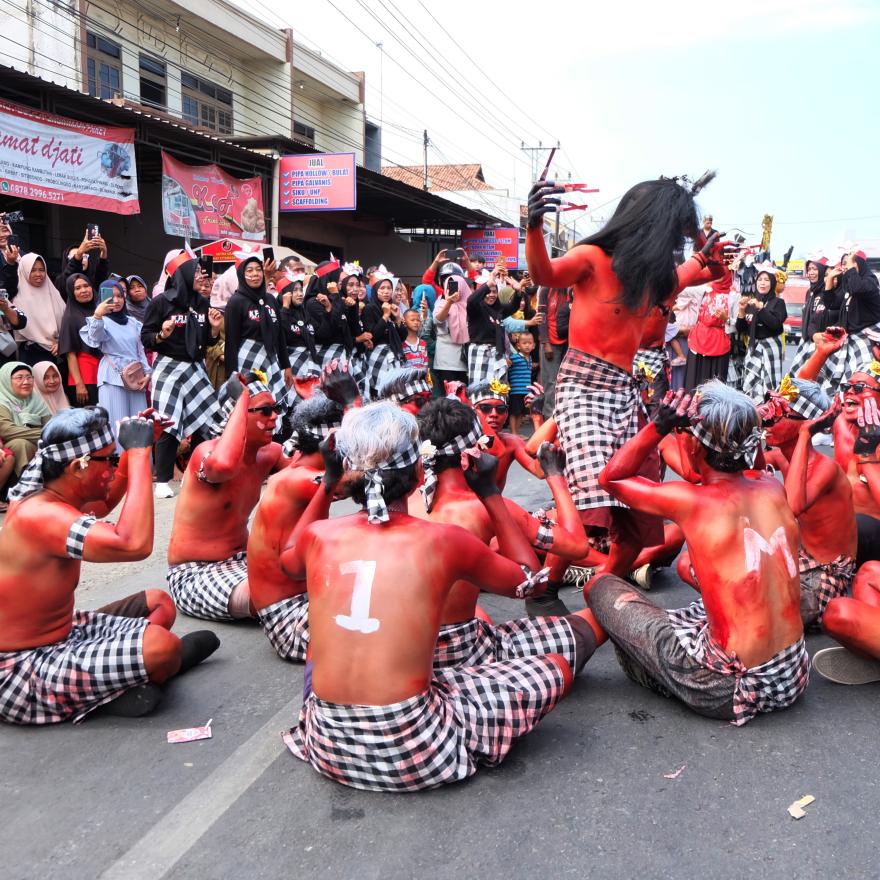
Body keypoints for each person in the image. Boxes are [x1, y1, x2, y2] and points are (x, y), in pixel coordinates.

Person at [280, 402, 572, 792]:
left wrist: (328, 484)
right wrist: (490, 494)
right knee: (553, 666)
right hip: (413, 747)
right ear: (420, 473)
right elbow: (529, 581)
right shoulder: (444, 540)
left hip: (327, 741)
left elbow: (288, 560)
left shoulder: (319, 536)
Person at [526, 173, 724, 577]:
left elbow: (713, 273)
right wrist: (533, 226)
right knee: (593, 497)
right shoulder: (591, 258)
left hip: (624, 388)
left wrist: (708, 246)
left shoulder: (658, 279)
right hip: (580, 385)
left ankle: (601, 591)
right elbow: (544, 274)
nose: (675, 245)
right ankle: (547, 587)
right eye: (672, 233)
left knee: (634, 522)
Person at [591, 382, 808, 725]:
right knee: (696, 607)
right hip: (792, 674)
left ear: (693, 445)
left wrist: (659, 426)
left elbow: (611, 478)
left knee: (600, 587)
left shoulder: (693, 502)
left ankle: (652, 672)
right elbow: (747, 465)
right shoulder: (772, 486)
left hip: (728, 687)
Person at [0, 407, 219, 722]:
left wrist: (139, 447)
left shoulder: (55, 495)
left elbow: (103, 502)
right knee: (161, 647)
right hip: (24, 667)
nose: (114, 467)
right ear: (78, 467)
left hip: (65, 634)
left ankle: (127, 678)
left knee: (159, 603)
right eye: (109, 460)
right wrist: (142, 454)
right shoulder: (40, 515)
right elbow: (133, 544)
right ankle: (139, 675)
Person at [416, 397, 600, 671]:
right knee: (599, 619)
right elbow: (575, 547)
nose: (495, 416)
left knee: (479, 615)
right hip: (462, 654)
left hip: (409, 651)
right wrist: (556, 475)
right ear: (475, 450)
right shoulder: (480, 506)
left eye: (500, 409)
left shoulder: (403, 498)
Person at [165, 372, 287, 621]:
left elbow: (318, 475)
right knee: (273, 596)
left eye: (276, 408)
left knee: (314, 575)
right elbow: (224, 466)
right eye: (265, 411)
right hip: (196, 572)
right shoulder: (206, 452)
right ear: (237, 415)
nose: (274, 417)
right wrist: (242, 400)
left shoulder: (270, 453)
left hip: (245, 560)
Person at [248, 389, 348, 662]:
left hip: (306, 600)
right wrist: (353, 402)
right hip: (289, 617)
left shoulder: (300, 467)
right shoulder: (301, 479)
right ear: (334, 446)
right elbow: (371, 479)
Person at [757, 377, 856, 627]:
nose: (768, 422)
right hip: (799, 557)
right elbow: (749, 468)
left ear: (805, 423)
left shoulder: (825, 469)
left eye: (777, 416)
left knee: (760, 614)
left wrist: (804, 435)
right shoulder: (782, 456)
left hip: (826, 571)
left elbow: (793, 506)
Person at [142, 255, 224, 499]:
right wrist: (162, 335)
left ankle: (201, 472)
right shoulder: (160, 303)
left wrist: (214, 329)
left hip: (195, 366)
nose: (201, 276)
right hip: (168, 367)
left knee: (206, 420)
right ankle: (163, 480)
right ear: (184, 275)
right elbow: (145, 336)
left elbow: (206, 341)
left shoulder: (202, 302)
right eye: (196, 272)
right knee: (168, 424)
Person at [80, 281, 151, 450]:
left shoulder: (133, 322)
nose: (117, 300)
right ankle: (117, 468)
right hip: (112, 376)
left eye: (120, 296)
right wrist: (98, 316)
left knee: (138, 423)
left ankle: (139, 468)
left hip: (136, 377)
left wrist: (148, 373)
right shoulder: (99, 321)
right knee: (115, 423)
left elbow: (140, 350)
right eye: (111, 297)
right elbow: (95, 339)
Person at [223, 255, 292, 413]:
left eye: (258, 270)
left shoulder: (270, 300)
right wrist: (232, 375)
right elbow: (231, 342)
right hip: (247, 361)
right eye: (249, 270)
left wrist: (286, 365)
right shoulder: (236, 302)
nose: (255, 274)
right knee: (253, 408)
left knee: (274, 406)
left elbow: (279, 334)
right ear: (242, 275)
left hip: (271, 358)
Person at [2, 251, 66, 367]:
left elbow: (67, 323)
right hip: (29, 353)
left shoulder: (54, 293)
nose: (38, 274)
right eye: (32, 270)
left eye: (41, 270)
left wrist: (61, 342)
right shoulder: (15, 295)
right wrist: (11, 263)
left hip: (56, 353)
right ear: (24, 271)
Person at [736, 262, 787, 402]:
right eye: (760, 280)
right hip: (753, 347)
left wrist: (761, 309)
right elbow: (742, 330)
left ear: (772, 283)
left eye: (766, 280)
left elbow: (776, 325)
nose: (762, 283)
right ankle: (754, 411)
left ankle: (771, 413)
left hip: (770, 348)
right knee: (751, 383)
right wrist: (741, 310)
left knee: (770, 384)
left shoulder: (778, 303)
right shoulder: (751, 303)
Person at [466, 269, 523, 384]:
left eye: (494, 292)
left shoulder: (498, 308)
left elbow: (512, 307)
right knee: (479, 390)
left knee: (498, 390)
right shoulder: (476, 308)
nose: (491, 295)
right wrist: (488, 284)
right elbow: (471, 300)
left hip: (497, 352)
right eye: (488, 292)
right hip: (480, 351)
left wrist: (517, 293)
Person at [0, 362, 51, 480]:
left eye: (29, 377)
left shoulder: (36, 400)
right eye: (19, 378)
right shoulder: (2, 401)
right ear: (6, 380)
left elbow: (49, 424)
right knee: (20, 444)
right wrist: (45, 434)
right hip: (7, 446)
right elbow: (6, 430)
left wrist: (51, 433)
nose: (26, 382)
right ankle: (24, 483)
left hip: (38, 444)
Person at [684, 266, 733, 391]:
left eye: (720, 273)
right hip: (698, 339)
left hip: (719, 342)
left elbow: (737, 325)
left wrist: (725, 318)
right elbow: (682, 288)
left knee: (714, 384)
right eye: (714, 273)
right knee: (693, 381)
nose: (716, 276)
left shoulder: (733, 295)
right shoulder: (704, 289)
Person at [361, 270, 405, 399]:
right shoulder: (370, 308)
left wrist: (397, 319)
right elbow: (373, 335)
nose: (386, 291)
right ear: (375, 290)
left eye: (389, 288)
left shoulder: (392, 307)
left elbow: (402, 337)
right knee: (379, 392)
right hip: (378, 355)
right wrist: (385, 316)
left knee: (394, 393)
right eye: (382, 288)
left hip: (394, 353)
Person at [58, 274, 101, 407]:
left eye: (86, 286)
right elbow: (70, 353)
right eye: (77, 288)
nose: (83, 290)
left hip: (104, 372)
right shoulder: (70, 317)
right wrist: (79, 384)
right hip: (84, 376)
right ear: (71, 292)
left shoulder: (99, 310)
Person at [431, 269, 471, 391]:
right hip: (446, 359)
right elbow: (438, 320)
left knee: (463, 396)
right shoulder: (441, 302)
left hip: (465, 359)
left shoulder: (470, 305)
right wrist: (449, 302)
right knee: (449, 397)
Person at [537, 287, 570, 418]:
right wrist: (545, 343)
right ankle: (550, 420)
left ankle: (564, 418)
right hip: (551, 342)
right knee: (551, 384)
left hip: (569, 343)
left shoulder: (572, 288)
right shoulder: (546, 289)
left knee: (566, 383)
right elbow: (541, 317)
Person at [507, 331, 535, 435]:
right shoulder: (515, 357)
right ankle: (513, 433)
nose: (527, 345)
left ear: (534, 345)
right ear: (518, 346)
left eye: (529, 343)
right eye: (524, 343)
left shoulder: (530, 358)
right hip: (515, 391)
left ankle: (516, 432)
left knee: (521, 413)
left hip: (525, 391)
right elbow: (507, 366)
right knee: (514, 413)